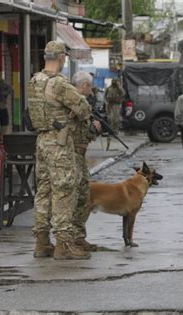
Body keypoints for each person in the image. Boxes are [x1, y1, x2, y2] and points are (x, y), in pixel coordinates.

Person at [28, 41, 92, 260]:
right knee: (64, 189)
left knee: (43, 191)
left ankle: (41, 241)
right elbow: (83, 108)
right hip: (60, 143)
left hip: (42, 141)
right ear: (62, 58)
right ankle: (63, 244)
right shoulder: (59, 84)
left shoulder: (34, 80)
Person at [71, 71, 102, 252]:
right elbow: (85, 132)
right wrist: (95, 129)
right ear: (84, 85)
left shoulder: (67, 98)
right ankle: (75, 238)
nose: (91, 89)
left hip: (71, 154)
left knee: (79, 196)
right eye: (89, 85)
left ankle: (76, 238)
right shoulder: (80, 101)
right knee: (80, 197)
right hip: (74, 154)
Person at [105, 78, 125, 150]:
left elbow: (123, 94)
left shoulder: (119, 89)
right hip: (110, 104)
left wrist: (119, 86)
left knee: (116, 119)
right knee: (110, 118)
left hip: (116, 104)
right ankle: (110, 131)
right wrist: (106, 104)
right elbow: (105, 96)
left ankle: (115, 131)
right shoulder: (109, 88)